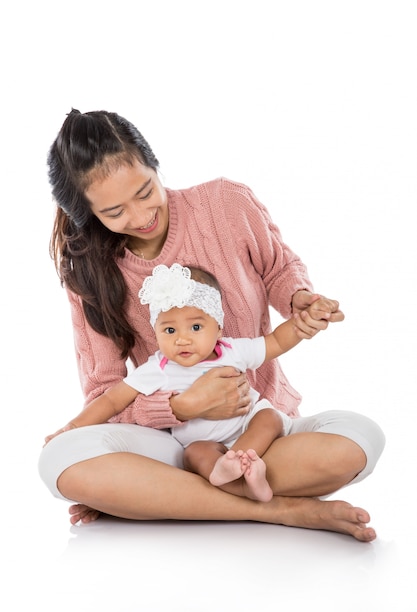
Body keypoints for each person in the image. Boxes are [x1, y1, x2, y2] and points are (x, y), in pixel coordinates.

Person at [38, 108, 385, 542]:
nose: (141, 214)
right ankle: (281, 510)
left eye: (146, 191)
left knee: (359, 439)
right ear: (89, 213)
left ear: (154, 163)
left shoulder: (225, 203)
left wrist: (301, 301)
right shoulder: (89, 272)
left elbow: (279, 270)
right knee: (59, 461)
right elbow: (105, 394)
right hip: (168, 444)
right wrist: (183, 407)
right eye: (114, 211)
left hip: (258, 434)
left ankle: (168, 497)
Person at [45, 263, 332, 502]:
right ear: (156, 332)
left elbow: (276, 342)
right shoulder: (158, 367)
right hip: (200, 440)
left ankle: (241, 460)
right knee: (195, 454)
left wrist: (302, 323)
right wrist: (71, 429)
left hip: (245, 426)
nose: (182, 338)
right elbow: (111, 400)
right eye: (169, 329)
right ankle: (236, 477)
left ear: (218, 326)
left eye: (196, 327)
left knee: (269, 416)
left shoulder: (232, 350)